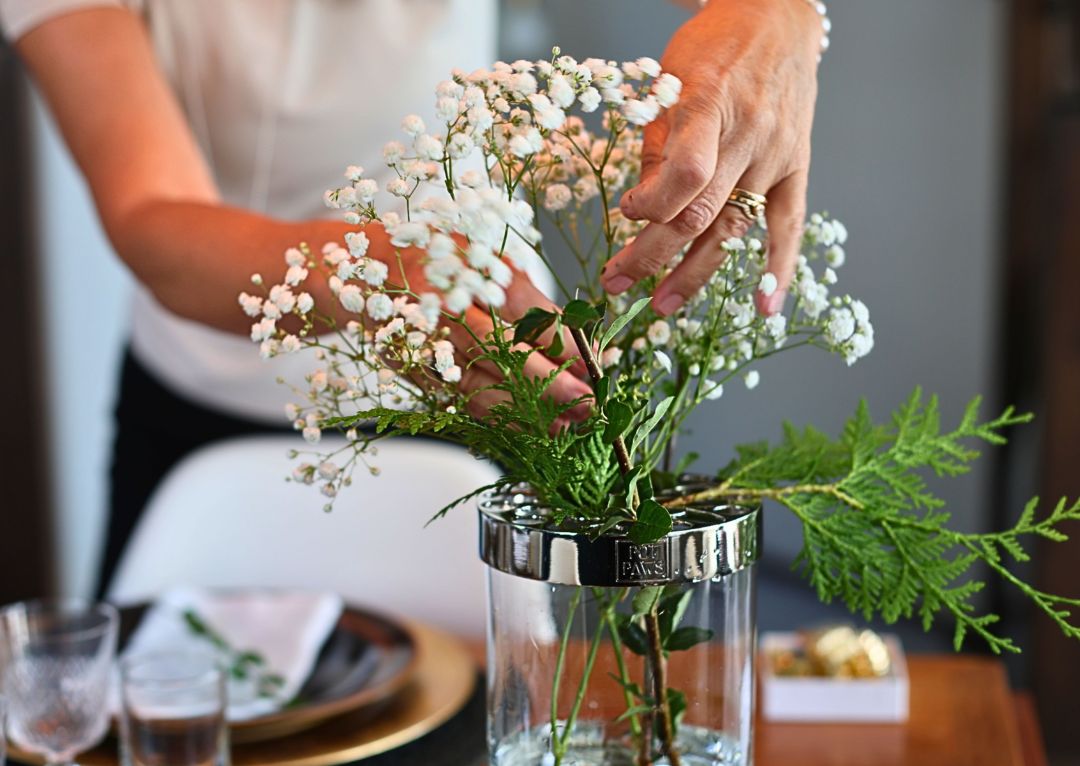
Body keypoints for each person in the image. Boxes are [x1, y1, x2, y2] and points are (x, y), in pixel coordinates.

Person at [0, 0, 824, 594]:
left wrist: (781, 18)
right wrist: (393, 274)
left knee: (535, 710)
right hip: (207, 404)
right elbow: (151, 215)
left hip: (495, 377)